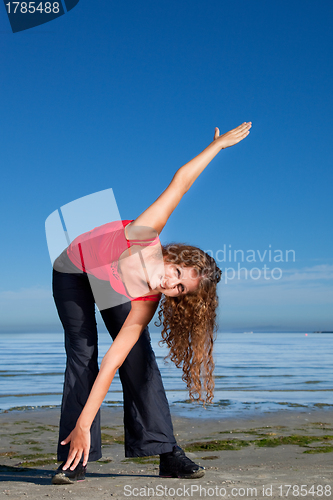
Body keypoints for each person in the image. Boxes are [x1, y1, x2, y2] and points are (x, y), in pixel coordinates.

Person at [51, 122, 252, 484]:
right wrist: (216, 147)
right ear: (174, 256)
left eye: (179, 289)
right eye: (176, 272)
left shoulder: (146, 302)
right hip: (73, 271)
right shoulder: (145, 234)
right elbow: (181, 183)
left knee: (137, 357)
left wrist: (86, 420)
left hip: (114, 285)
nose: (169, 283)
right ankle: (73, 458)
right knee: (83, 352)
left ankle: (166, 452)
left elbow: (114, 363)